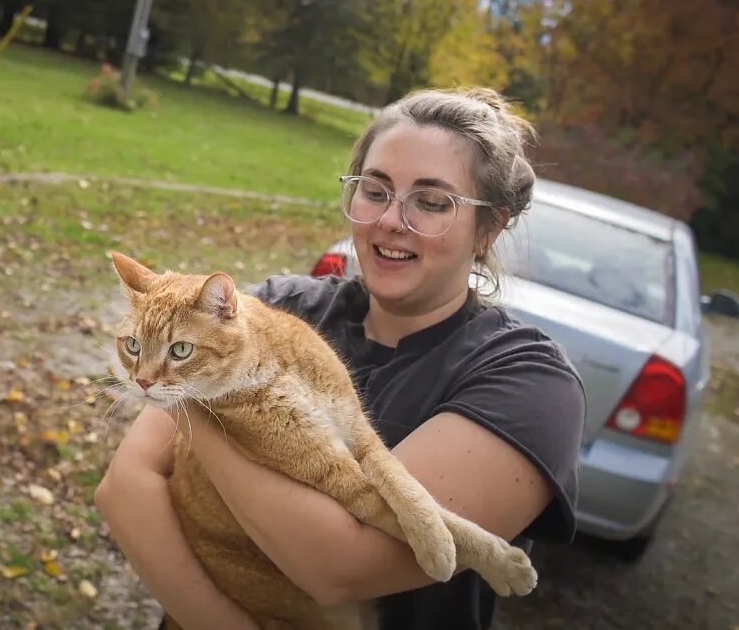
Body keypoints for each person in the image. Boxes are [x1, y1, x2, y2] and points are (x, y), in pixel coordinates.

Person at [95, 87, 587, 630]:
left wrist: (199, 402)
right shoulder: (281, 306)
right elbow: (125, 487)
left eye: (430, 202)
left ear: (490, 225)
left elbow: (338, 568)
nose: (391, 221)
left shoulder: (529, 382)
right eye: (374, 191)